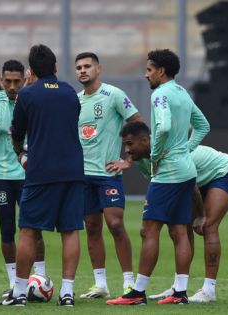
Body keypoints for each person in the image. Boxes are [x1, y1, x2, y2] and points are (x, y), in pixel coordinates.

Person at [107, 49, 210, 306]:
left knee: (148, 229)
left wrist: (154, 155)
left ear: (161, 71)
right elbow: (203, 125)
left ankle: (138, 292)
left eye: (149, 69)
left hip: (168, 174)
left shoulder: (160, 94)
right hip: (186, 171)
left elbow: (162, 127)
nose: (146, 74)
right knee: (178, 231)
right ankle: (180, 292)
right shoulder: (181, 92)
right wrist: (185, 149)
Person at [113, 121, 228, 303]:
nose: (126, 150)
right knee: (180, 228)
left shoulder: (169, 153)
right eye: (125, 145)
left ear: (145, 140)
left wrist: (201, 215)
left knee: (208, 227)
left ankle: (208, 290)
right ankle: (179, 288)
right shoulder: (141, 161)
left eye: (129, 144)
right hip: (191, 180)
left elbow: (192, 186)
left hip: (221, 171)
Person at [0, 44, 85, 307]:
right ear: (56, 67)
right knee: (70, 231)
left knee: (27, 230)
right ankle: (67, 293)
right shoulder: (71, 92)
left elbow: (17, 132)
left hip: (41, 171)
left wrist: (19, 153)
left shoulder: (27, 95)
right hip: (72, 169)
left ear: (31, 71)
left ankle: (19, 293)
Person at [74, 52, 141, 298]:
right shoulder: (75, 100)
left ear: (98, 69)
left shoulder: (113, 95)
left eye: (87, 66)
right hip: (83, 175)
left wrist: (129, 159)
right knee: (91, 227)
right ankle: (100, 284)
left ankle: (129, 282)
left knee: (115, 225)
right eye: (79, 67)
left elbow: (137, 124)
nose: (83, 70)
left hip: (108, 174)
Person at [0, 60, 46, 299]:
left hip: (29, 174)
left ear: (25, 79)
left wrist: (28, 92)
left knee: (34, 229)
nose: (11, 86)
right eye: (6, 82)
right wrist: (0, 94)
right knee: (7, 229)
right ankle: (14, 283)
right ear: (0, 81)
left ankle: (40, 279)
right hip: (1, 174)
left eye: (16, 82)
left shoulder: (33, 100)